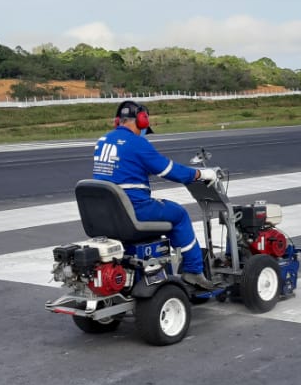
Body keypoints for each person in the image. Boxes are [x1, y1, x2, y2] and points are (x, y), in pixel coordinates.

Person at [92, 100, 219, 289]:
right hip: (135, 209)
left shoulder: (102, 141)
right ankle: (193, 270)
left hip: (107, 214)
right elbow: (170, 170)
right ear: (141, 121)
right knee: (179, 215)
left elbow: (120, 169)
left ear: (118, 120)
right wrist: (200, 173)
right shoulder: (137, 143)